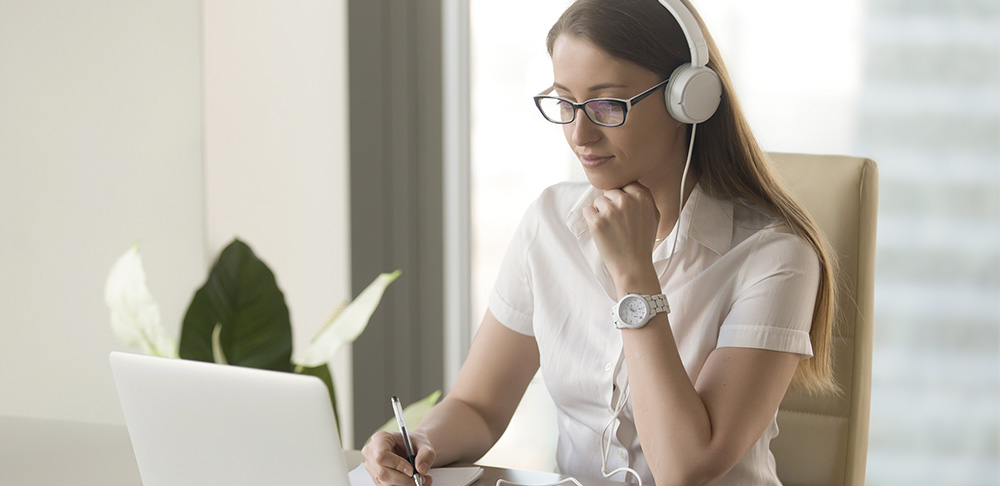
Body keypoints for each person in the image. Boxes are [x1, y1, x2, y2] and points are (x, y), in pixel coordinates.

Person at [363, 0, 838, 485]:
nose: (578, 134)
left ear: (688, 99)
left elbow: (685, 468)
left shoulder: (776, 257)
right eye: (564, 103)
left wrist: (634, 275)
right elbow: (479, 405)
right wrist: (423, 443)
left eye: (607, 105)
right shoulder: (549, 222)